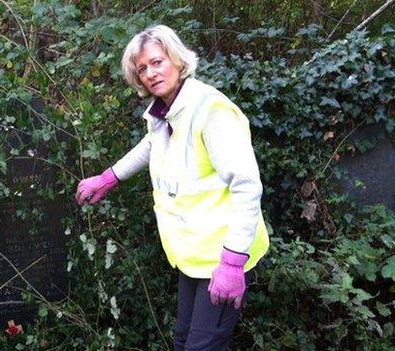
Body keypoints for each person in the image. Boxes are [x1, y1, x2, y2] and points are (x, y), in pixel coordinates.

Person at [75, 25, 269, 351]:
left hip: (223, 257)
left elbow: (247, 186)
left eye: (157, 62)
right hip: (193, 254)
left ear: (178, 60)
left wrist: (233, 262)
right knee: (182, 341)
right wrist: (109, 177)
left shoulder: (211, 110)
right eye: (142, 69)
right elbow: (152, 144)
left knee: (201, 347)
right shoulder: (164, 112)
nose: (150, 73)